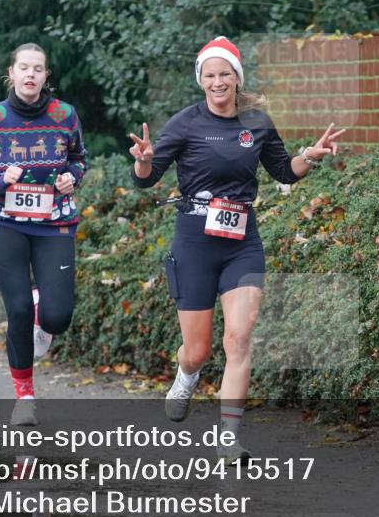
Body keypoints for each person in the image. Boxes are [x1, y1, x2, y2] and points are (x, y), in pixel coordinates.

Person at [130, 36, 344, 464]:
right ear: (201, 80)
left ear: (236, 77)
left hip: (242, 244)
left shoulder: (256, 123)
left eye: (224, 74)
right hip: (194, 244)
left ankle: (228, 438)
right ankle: (186, 375)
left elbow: (283, 171)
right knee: (198, 351)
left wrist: (311, 155)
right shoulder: (185, 123)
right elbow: (146, 179)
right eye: (209, 75)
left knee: (239, 338)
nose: (217, 82)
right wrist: (144, 159)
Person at [0, 43, 88, 426]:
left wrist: (72, 177)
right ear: (11, 73)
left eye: (38, 69)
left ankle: (40, 309)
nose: (31, 74)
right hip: (5, 222)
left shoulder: (65, 115)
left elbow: (80, 159)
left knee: (57, 317)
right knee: (16, 310)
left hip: (54, 223)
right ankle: (25, 397)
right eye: (24, 68)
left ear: (46, 76)